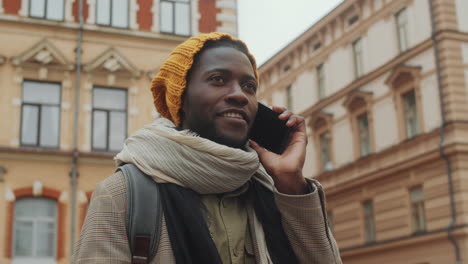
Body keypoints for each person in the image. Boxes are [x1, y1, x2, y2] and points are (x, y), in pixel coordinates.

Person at [73, 32, 342, 264]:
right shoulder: (122, 194)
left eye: (249, 86)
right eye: (218, 79)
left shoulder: (276, 190)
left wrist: (291, 183)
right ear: (182, 98)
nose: (239, 94)